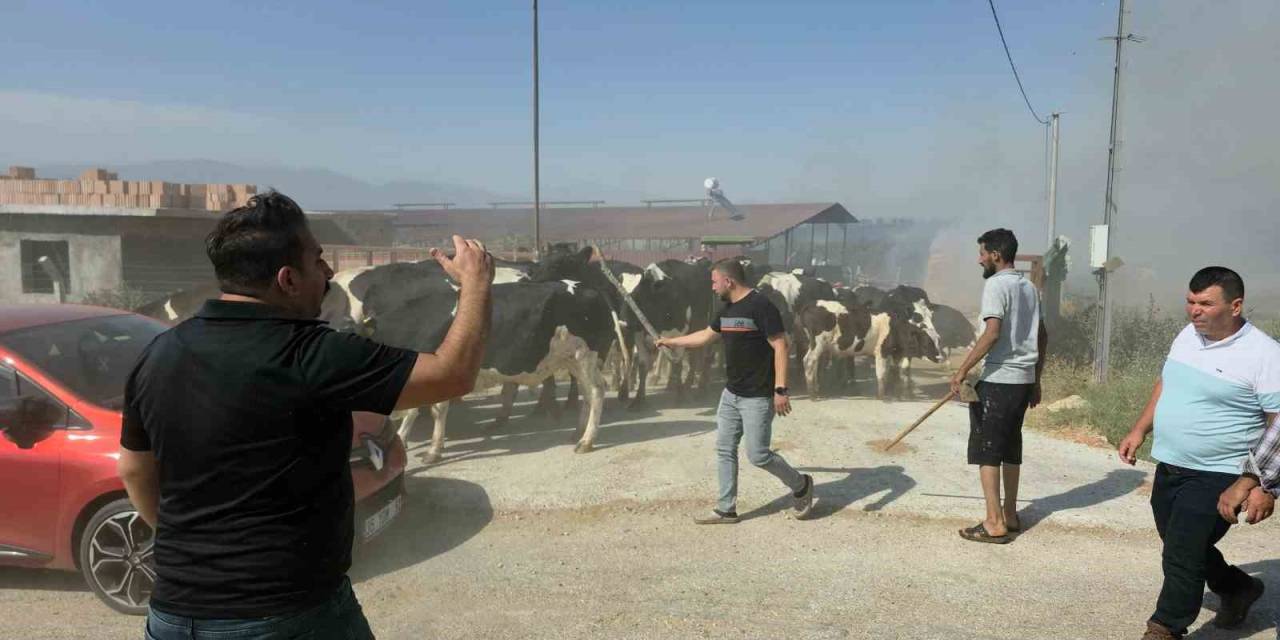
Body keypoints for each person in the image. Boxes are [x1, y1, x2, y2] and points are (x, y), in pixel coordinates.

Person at [115, 191, 494, 640]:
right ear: (288, 279)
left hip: (174, 617)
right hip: (287, 615)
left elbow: (135, 470)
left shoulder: (159, 353)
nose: (329, 272)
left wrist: (195, 552)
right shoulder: (314, 354)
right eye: (318, 261)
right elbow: (452, 375)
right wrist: (477, 285)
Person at [1116, 267, 1279, 639]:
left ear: (1235, 306)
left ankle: (1166, 626)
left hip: (1221, 472)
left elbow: (1278, 425)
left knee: (1182, 551)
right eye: (1190, 301)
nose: (1195, 311)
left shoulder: (1265, 355)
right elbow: (1166, 381)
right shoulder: (1188, 336)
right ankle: (1238, 587)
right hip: (1171, 464)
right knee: (1179, 541)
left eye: (1206, 303)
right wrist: (1140, 428)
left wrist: (1261, 484)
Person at [655, 258, 814, 524]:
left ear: (729, 281)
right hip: (731, 394)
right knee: (725, 449)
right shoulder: (726, 309)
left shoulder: (762, 306)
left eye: (715, 282)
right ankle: (726, 508)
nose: (713, 287)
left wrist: (780, 389)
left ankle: (801, 485)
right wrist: (671, 341)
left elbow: (780, 346)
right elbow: (706, 336)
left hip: (758, 396)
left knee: (758, 455)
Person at [949, 228, 1046, 544]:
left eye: (982, 253)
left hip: (999, 380)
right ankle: (1010, 514)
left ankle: (993, 523)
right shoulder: (1029, 287)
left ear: (995, 254)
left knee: (987, 450)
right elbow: (1042, 335)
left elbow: (992, 332)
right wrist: (1036, 378)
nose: (980, 260)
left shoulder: (995, 285)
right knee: (1010, 447)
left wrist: (962, 370)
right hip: (1022, 381)